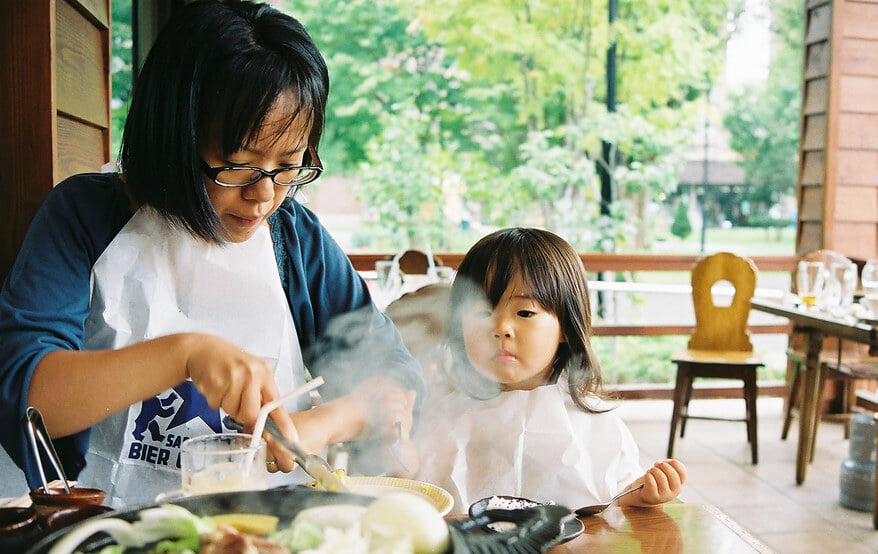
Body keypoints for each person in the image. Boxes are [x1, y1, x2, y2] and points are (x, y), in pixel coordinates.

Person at [0, 0, 421, 506]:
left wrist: (323, 423)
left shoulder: (296, 239)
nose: (264, 195)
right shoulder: (85, 215)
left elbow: (397, 378)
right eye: (238, 165)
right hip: (102, 529)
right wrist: (184, 355)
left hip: (267, 531)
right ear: (174, 139)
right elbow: (25, 397)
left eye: (288, 165)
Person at [414, 227, 685, 512]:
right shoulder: (441, 416)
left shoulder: (595, 422)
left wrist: (643, 494)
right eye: (482, 312)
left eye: (524, 312)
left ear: (566, 326)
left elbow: (616, 499)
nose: (501, 328)